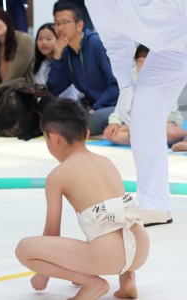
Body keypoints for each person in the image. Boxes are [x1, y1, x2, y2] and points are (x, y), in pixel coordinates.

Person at [15, 98, 162, 299]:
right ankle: (127, 280)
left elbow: (51, 233)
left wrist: (43, 274)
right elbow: (111, 213)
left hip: (109, 255)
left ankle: (92, 284)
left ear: (53, 138)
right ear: (86, 134)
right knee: (110, 214)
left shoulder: (58, 176)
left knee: (25, 249)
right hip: (140, 249)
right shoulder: (105, 162)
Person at [85, 0, 187, 225]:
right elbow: (116, 43)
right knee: (142, 118)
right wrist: (125, 86)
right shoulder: (96, 3)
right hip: (165, 53)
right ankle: (154, 204)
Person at [47, 2, 119, 136]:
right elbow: (54, 89)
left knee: (86, 122)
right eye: (57, 23)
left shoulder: (96, 44)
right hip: (90, 108)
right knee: (53, 114)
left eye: (65, 22)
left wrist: (95, 108)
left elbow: (115, 87)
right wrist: (56, 58)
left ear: (79, 25)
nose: (60, 28)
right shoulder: (66, 53)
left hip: (114, 107)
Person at [104, 45, 186, 146]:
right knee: (112, 134)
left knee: (170, 132)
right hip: (136, 125)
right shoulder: (131, 76)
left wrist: (139, 125)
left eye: (146, 61)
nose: (143, 65)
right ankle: (144, 140)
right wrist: (114, 122)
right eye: (140, 61)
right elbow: (122, 102)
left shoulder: (163, 76)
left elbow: (169, 113)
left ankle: (142, 138)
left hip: (163, 124)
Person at [0, 3, 34, 91]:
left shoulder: (24, 40)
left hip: (24, 98)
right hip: (2, 99)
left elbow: (13, 78)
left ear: (5, 19)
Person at [33, 22, 80, 107]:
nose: (43, 42)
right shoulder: (38, 63)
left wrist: (56, 59)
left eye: (49, 39)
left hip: (67, 105)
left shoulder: (67, 61)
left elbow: (53, 90)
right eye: (40, 39)